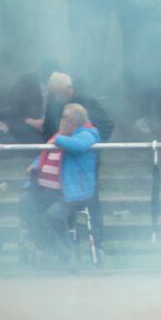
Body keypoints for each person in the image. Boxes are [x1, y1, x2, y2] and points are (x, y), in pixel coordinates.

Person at [22, 103, 101, 264]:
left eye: (63, 117)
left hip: (72, 193)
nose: (60, 121)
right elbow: (46, 154)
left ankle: (67, 255)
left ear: (71, 121)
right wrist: (35, 164)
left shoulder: (88, 133)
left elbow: (78, 146)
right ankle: (47, 246)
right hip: (45, 190)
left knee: (53, 216)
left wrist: (58, 138)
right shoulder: (60, 136)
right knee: (24, 203)